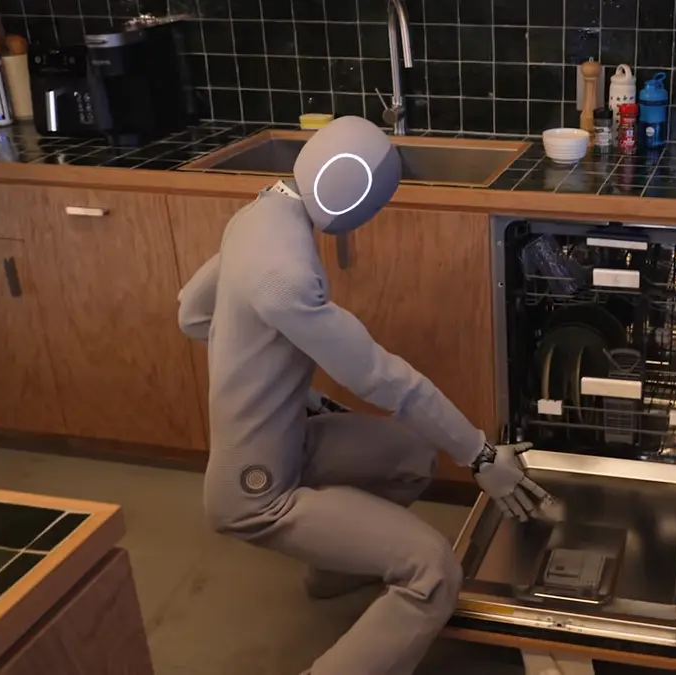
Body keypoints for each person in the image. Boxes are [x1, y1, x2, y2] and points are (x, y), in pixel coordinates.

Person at [176, 115, 551, 675]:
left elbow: (193, 313)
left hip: (288, 439)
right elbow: (383, 379)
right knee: (434, 574)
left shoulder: (260, 215)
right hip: (254, 492)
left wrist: (278, 393)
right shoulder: (287, 278)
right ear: (347, 191)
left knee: (411, 456)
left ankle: (329, 568)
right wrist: (479, 456)